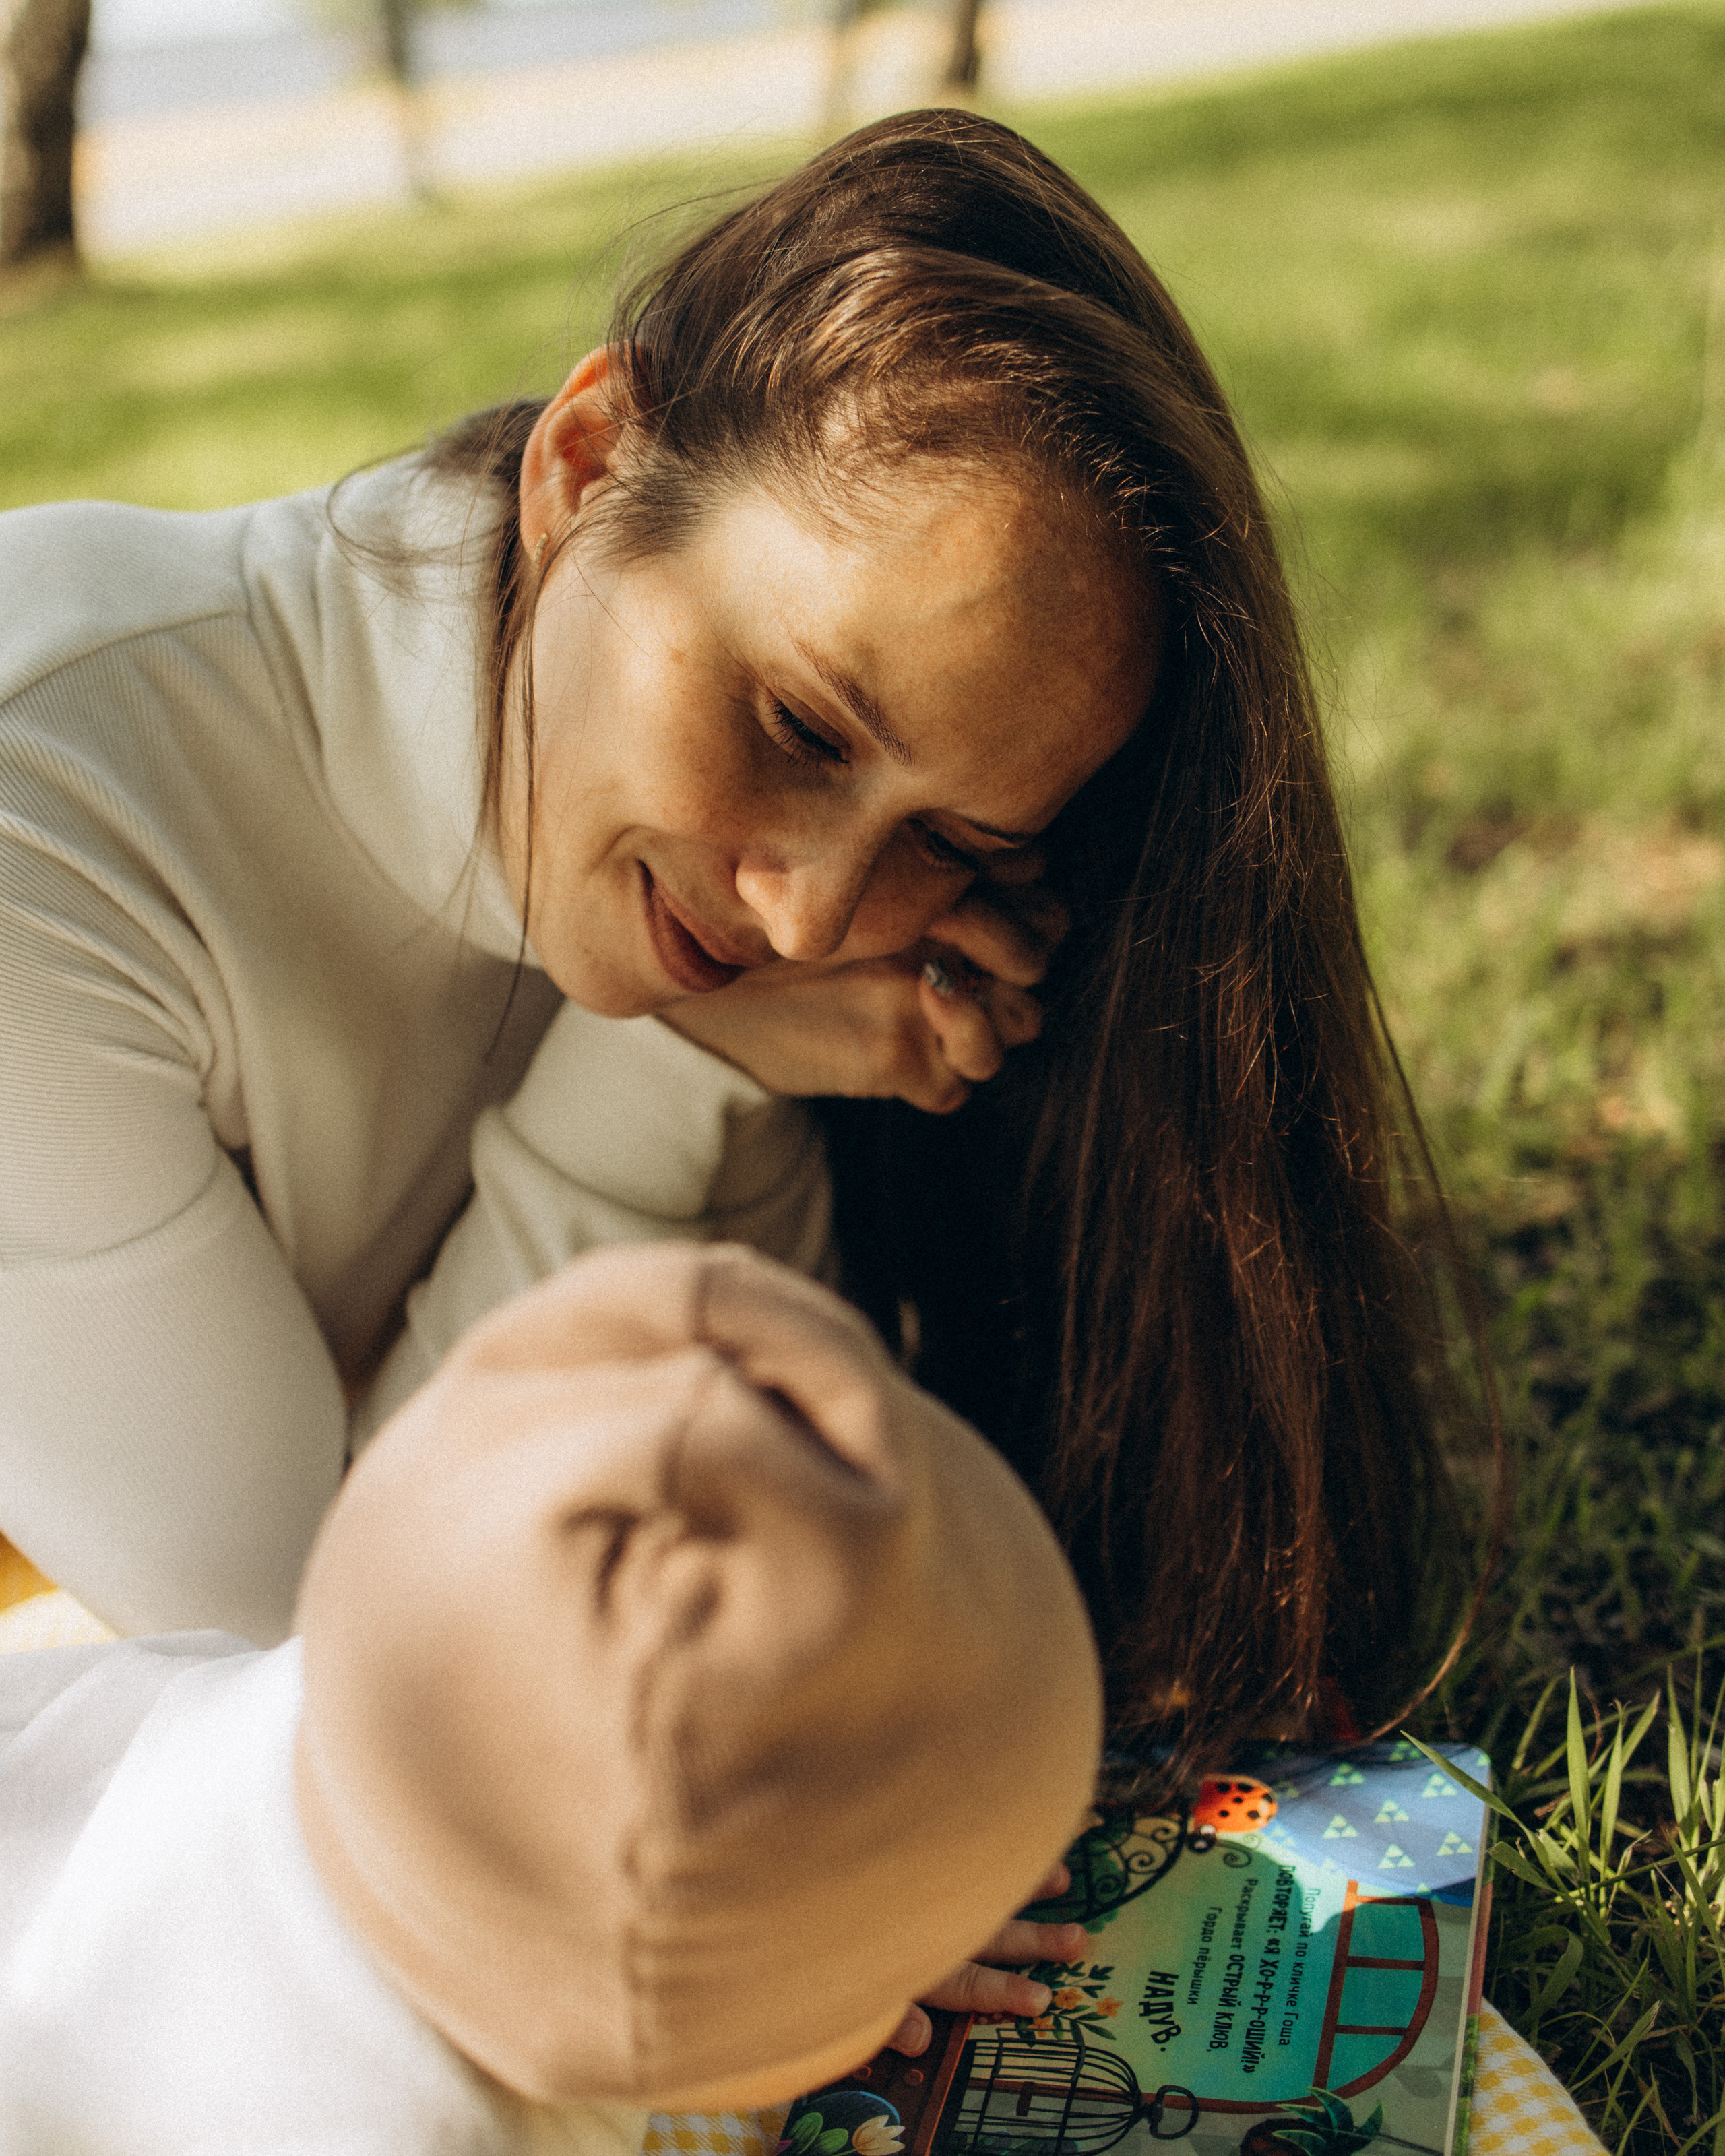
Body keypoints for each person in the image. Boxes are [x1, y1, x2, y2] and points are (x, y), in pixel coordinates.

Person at [0, 109, 1471, 1785]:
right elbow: (341, 1677)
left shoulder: (692, 888)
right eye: (797, 724)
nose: (810, 919)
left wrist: (679, 1063)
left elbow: (707, 1540)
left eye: (954, 846)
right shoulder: (37, 822)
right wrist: (645, 1062)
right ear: (583, 465)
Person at [0, 1242, 1102, 2151]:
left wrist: (824, 1944)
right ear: (662, 2045)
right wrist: (811, 1971)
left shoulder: (344, 1695)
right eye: (887, 1967)